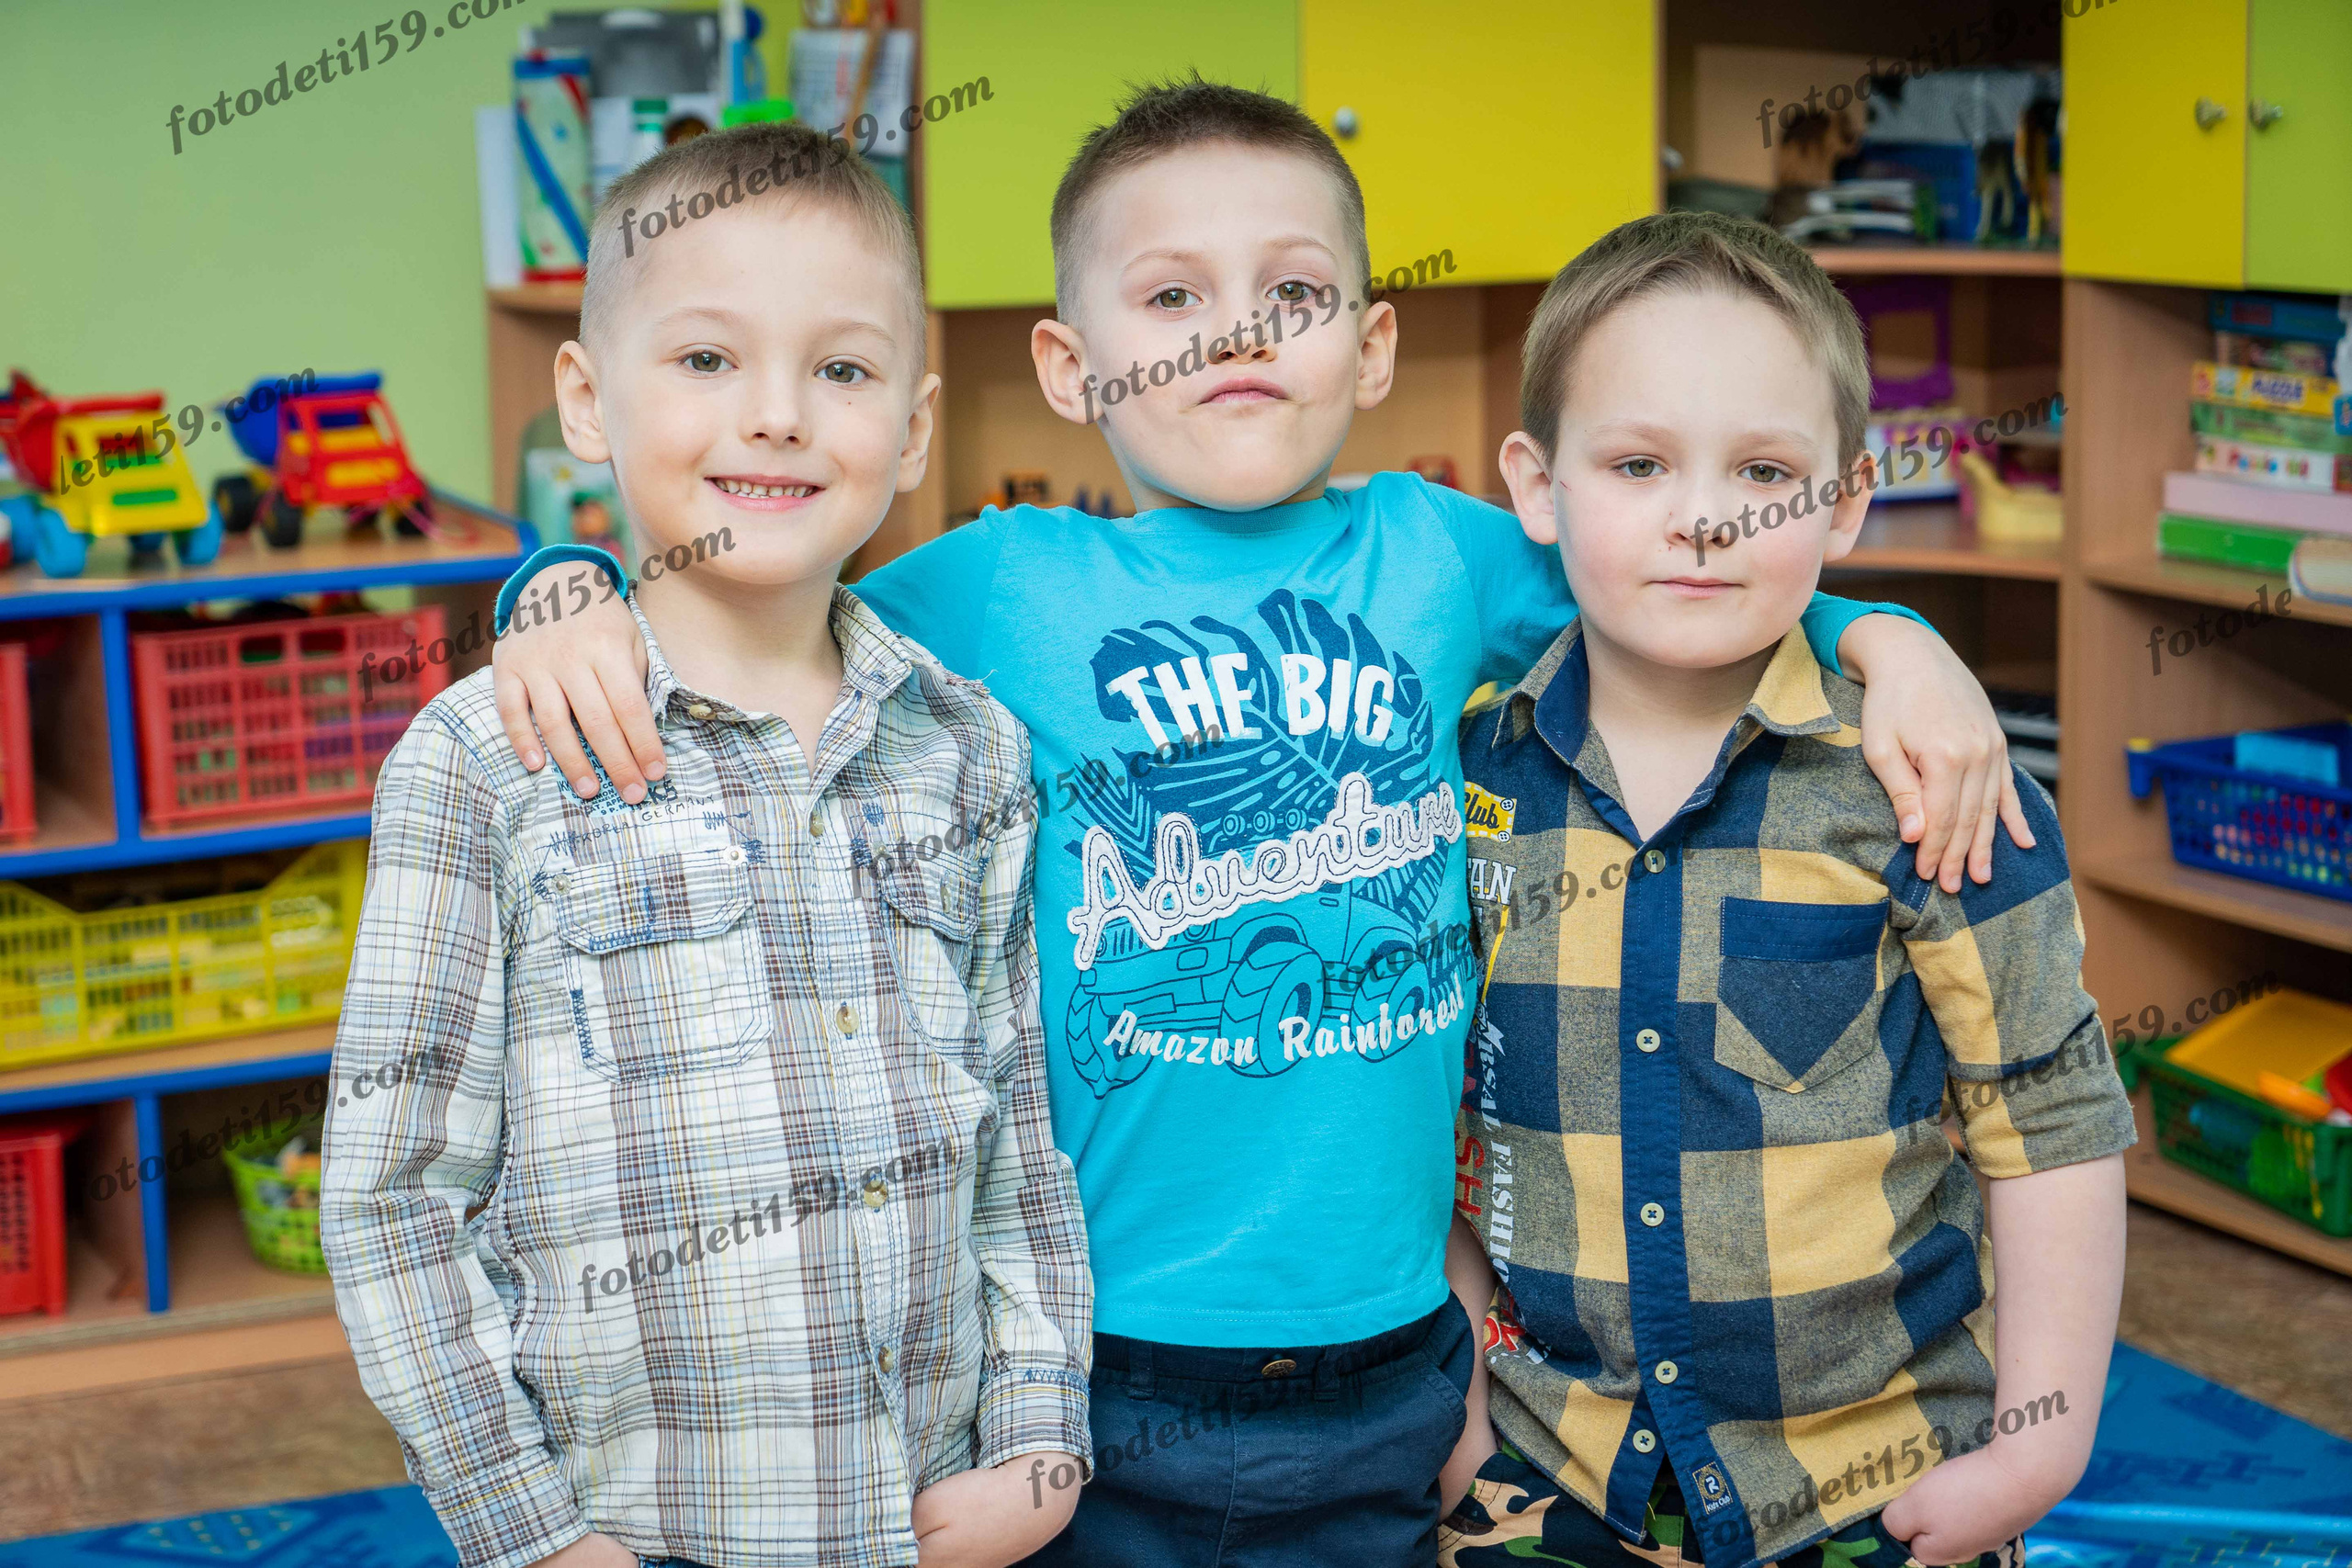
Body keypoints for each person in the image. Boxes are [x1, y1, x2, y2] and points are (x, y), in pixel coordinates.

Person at [480, 82, 2031, 1566]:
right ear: (1070, 368)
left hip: (1394, 1353)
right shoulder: (1001, 583)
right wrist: (557, 592)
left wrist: (1888, 631)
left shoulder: (1443, 554)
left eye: (1289, 294)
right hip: (1096, 1362)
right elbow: (746, 596)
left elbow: (1683, 561)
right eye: (1170, 299)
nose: (1233, 331)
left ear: (1367, 349)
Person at [320, 122, 1090, 1568]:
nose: (780, 415)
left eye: (843, 370)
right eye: (706, 360)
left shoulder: (971, 748)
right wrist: (534, 1536)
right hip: (633, 1533)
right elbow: (391, 1192)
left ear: (915, 429)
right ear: (587, 398)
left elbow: (1021, 1142)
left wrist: (1043, 1441)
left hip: (933, 1521)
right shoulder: (486, 757)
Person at [1442, 211, 2132, 1568]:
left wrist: (2043, 1440)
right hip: (1542, 1472)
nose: (1703, 517)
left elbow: (2048, 1114)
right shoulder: (1468, 776)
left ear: (1846, 502)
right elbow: (1432, 1125)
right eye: (1638, 463)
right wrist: (1463, 1431)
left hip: (1873, 1482)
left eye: (1764, 470)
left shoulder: (1932, 783)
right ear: (1537, 486)